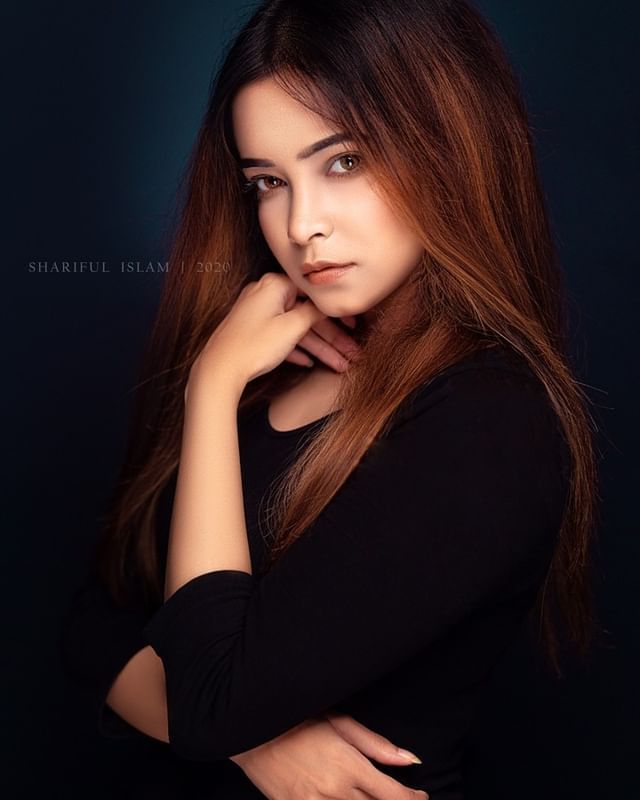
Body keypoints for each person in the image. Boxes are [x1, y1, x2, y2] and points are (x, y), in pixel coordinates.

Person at [59, 1, 601, 797]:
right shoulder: (266, 367)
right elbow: (94, 622)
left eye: (343, 161)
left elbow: (205, 699)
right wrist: (254, 741)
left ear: (448, 148)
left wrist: (209, 393)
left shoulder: (488, 421)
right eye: (268, 182)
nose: (300, 223)